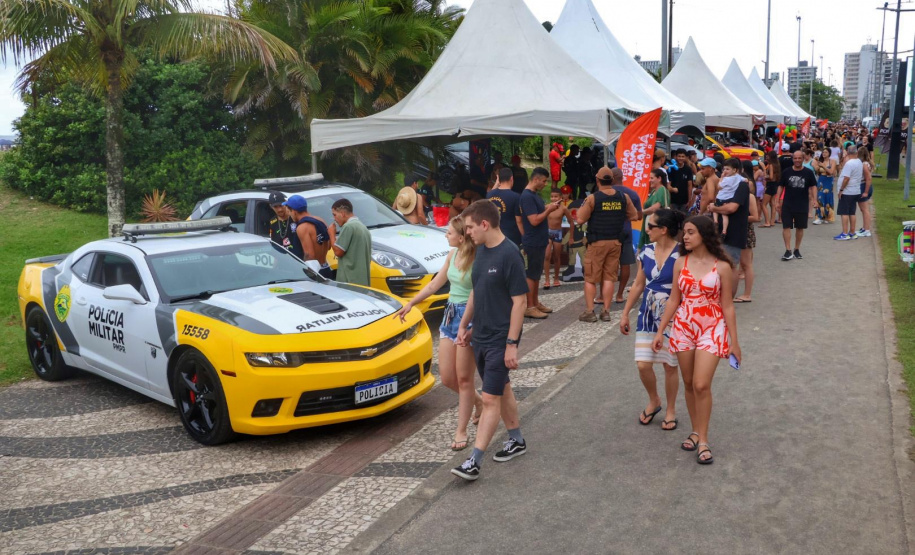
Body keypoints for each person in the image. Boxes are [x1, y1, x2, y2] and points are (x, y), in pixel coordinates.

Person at [652, 216, 741, 465]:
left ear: (704, 233)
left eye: (690, 232)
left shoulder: (722, 266)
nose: (685, 237)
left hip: (712, 326)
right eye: (685, 233)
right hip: (684, 326)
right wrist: (660, 332)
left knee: (702, 384)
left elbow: (728, 306)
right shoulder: (681, 262)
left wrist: (735, 342)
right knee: (689, 383)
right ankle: (695, 430)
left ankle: (703, 440)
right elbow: (673, 300)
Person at [451, 200, 529, 482]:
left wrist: (511, 343)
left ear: (485, 224)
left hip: (499, 339)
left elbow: (520, 303)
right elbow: (476, 291)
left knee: (491, 397)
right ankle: (517, 440)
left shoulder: (510, 255)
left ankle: (474, 461)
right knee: (503, 388)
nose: (467, 232)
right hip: (480, 337)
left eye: (470, 227)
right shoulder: (481, 252)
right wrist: (465, 326)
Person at [396, 215, 483, 451]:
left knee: (465, 379)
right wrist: (410, 303)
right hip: (450, 314)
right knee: (447, 377)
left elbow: (479, 294)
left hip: (469, 314)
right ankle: (479, 401)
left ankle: (461, 429)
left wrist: (471, 325)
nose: (445, 235)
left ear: (462, 236)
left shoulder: (477, 258)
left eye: (449, 233)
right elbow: (434, 285)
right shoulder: (452, 255)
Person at [621, 208, 685, 431]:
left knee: (669, 365)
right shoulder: (646, 251)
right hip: (647, 312)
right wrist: (625, 313)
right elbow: (638, 283)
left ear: (663, 229)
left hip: (674, 313)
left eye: (650, 226)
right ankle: (654, 399)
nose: (646, 230)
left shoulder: (683, 254)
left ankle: (671, 409)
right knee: (642, 364)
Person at [575, 167, 639, 322]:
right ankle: (606, 311)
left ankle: (590, 311)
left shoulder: (593, 198)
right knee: (609, 277)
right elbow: (634, 216)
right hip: (616, 242)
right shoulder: (624, 197)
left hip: (597, 243)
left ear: (597, 181)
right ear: (611, 180)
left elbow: (580, 220)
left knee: (590, 278)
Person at [519, 167, 558, 319]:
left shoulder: (534, 195)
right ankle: (530, 306)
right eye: (544, 181)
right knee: (531, 275)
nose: (545, 184)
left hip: (539, 240)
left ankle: (535, 302)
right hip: (532, 241)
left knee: (536, 274)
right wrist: (549, 211)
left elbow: (538, 212)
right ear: (535, 179)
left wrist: (549, 206)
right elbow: (534, 220)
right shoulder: (527, 196)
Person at [775, 150, 817, 260]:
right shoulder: (786, 172)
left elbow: (813, 186)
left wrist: (815, 200)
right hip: (788, 204)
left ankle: (796, 249)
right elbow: (780, 186)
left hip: (802, 204)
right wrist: (777, 200)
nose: (797, 160)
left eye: (799, 158)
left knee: (800, 227)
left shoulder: (808, 172)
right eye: (795, 158)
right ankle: (788, 250)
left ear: (803, 159)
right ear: (792, 159)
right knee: (786, 226)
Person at [284, 195, 335, 279]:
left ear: (294, 211)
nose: (289, 214)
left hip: (314, 272)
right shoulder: (320, 220)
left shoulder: (302, 228)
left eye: (289, 211)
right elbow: (328, 246)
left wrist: (307, 276)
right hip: (326, 268)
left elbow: (309, 255)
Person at [612, 178, 644, 304]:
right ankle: (619, 295)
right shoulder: (632, 193)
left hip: (609, 233)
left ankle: (602, 296)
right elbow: (639, 216)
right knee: (625, 264)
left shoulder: (604, 193)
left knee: (607, 265)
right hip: (626, 232)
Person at [330, 199, 370, 286]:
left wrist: (331, 234)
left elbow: (338, 252)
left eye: (335, 215)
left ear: (342, 213)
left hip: (350, 282)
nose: (334, 219)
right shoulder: (363, 227)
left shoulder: (348, 227)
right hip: (362, 281)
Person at [486, 167, 524, 247]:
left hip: (492, 234)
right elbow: (519, 221)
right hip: (510, 237)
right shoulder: (516, 197)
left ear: (498, 179)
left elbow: (488, 199)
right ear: (512, 178)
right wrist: (524, 237)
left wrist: (497, 182)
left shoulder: (489, 194)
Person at [834, 144, 864, 241]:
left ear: (848, 152)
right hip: (855, 191)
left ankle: (845, 233)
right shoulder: (859, 161)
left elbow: (846, 178)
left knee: (844, 212)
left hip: (847, 191)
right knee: (852, 212)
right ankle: (852, 232)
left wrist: (841, 189)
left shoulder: (849, 164)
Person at [544, 188, 573, 289]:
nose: (553, 198)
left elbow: (571, 222)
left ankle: (556, 278)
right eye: (552, 196)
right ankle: (547, 280)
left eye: (556, 196)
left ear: (560, 197)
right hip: (548, 233)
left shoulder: (563, 209)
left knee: (557, 256)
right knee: (547, 256)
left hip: (557, 233)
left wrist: (571, 237)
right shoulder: (547, 207)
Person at [639, 168, 671, 253]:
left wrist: (641, 212)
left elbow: (655, 208)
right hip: (649, 225)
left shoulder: (662, 190)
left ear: (659, 178)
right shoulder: (654, 191)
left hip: (656, 226)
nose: (650, 180)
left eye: (652, 178)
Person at [712, 159, 742, 239]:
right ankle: (724, 230)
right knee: (725, 215)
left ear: (734, 170)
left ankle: (715, 221)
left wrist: (721, 178)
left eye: (727, 169)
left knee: (715, 209)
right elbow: (744, 180)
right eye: (724, 169)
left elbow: (719, 187)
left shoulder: (726, 179)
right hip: (729, 199)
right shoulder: (738, 177)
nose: (725, 171)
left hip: (720, 198)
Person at [813, 147, 836, 225]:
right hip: (821, 180)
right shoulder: (820, 161)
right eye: (823, 152)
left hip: (828, 181)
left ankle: (828, 216)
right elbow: (817, 171)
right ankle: (819, 216)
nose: (824, 154)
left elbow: (831, 172)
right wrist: (816, 166)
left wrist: (823, 166)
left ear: (829, 153)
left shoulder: (832, 161)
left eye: (826, 152)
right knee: (820, 197)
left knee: (828, 197)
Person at [855, 147, 874, 237]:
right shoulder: (866, 163)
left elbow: (868, 178)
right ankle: (864, 227)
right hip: (863, 186)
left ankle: (867, 230)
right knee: (863, 209)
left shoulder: (864, 165)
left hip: (863, 186)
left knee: (865, 209)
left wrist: (866, 191)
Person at [761, 150, 781, 227]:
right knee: (772, 203)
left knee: (763, 204)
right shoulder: (777, 164)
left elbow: (771, 176)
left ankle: (767, 221)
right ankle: (772, 221)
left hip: (770, 185)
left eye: (768, 155)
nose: (766, 156)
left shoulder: (771, 165)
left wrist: (765, 176)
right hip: (775, 185)